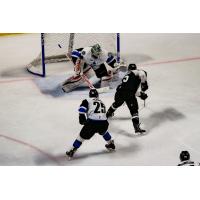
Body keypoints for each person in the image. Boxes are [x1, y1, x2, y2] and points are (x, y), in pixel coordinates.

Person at [66, 89, 115, 159]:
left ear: (90, 95)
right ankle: (111, 144)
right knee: (104, 132)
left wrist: (82, 118)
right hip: (104, 123)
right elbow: (103, 115)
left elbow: (81, 109)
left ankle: (72, 150)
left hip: (92, 123)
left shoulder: (87, 100)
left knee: (81, 137)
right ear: (97, 95)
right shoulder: (101, 102)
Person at [106, 63, 148, 135]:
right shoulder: (138, 71)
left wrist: (140, 94)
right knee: (134, 110)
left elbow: (130, 90)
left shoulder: (127, 75)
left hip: (119, 92)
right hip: (128, 93)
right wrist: (144, 84)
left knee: (117, 103)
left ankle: (108, 113)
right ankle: (136, 127)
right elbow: (142, 74)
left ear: (128, 69)